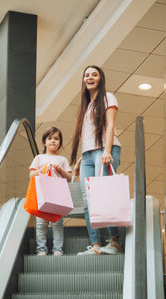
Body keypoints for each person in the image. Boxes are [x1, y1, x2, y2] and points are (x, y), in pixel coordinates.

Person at [70, 65, 123, 255]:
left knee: (104, 195)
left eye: (94, 74)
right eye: (86, 75)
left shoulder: (109, 97)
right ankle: (96, 245)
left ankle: (115, 241)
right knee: (88, 200)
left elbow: (110, 126)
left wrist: (107, 150)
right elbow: (86, 135)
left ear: (101, 78)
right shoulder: (86, 105)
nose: (90, 77)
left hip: (105, 150)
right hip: (87, 155)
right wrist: (78, 160)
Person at [29, 127, 73, 256]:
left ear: (60, 142)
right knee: (41, 223)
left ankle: (58, 249)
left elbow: (70, 178)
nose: (53, 141)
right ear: (44, 142)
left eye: (56, 138)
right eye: (50, 138)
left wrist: (61, 171)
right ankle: (41, 249)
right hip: (42, 194)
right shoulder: (39, 158)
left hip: (57, 195)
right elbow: (31, 175)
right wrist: (42, 168)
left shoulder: (62, 160)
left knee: (57, 223)